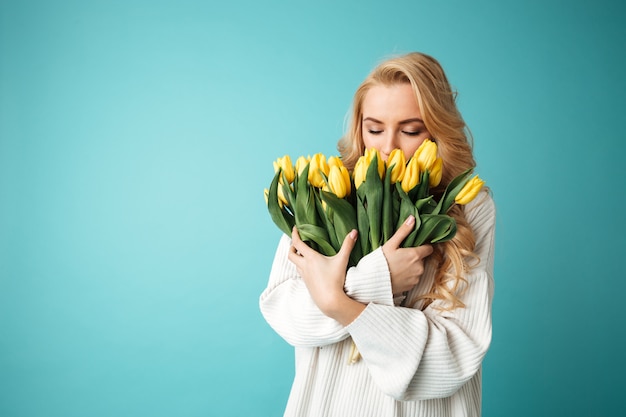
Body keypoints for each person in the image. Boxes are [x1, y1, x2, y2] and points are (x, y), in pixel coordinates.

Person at [259, 52, 496, 417]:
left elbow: (453, 355)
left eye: (411, 130)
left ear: (437, 130)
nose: (388, 147)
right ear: (359, 128)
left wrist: (338, 301)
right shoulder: (323, 190)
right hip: (329, 405)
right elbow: (284, 312)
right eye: (375, 129)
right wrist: (375, 280)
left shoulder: (469, 207)